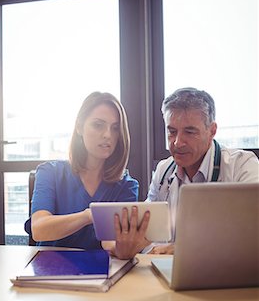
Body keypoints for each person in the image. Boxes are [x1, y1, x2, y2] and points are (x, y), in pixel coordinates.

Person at [115, 87, 259, 256]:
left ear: (212, 131)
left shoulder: (242, 166)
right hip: (168, 273)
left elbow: (251, 235)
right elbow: (147, 230)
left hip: (224, 274)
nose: (177, 143)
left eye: (190, 132)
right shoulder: (163, 171)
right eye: (172, 132)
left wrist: (186, 250)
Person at [25, 91, 149, 258]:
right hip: (50, 271)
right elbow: (39, 229)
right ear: (79, 127)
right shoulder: (50, 173)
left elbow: (110, 242)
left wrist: (124, 248)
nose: (107, 135)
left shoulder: (126, 185)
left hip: (101, 274)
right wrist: (89, 216)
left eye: (115, 128)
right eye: (98, 125)